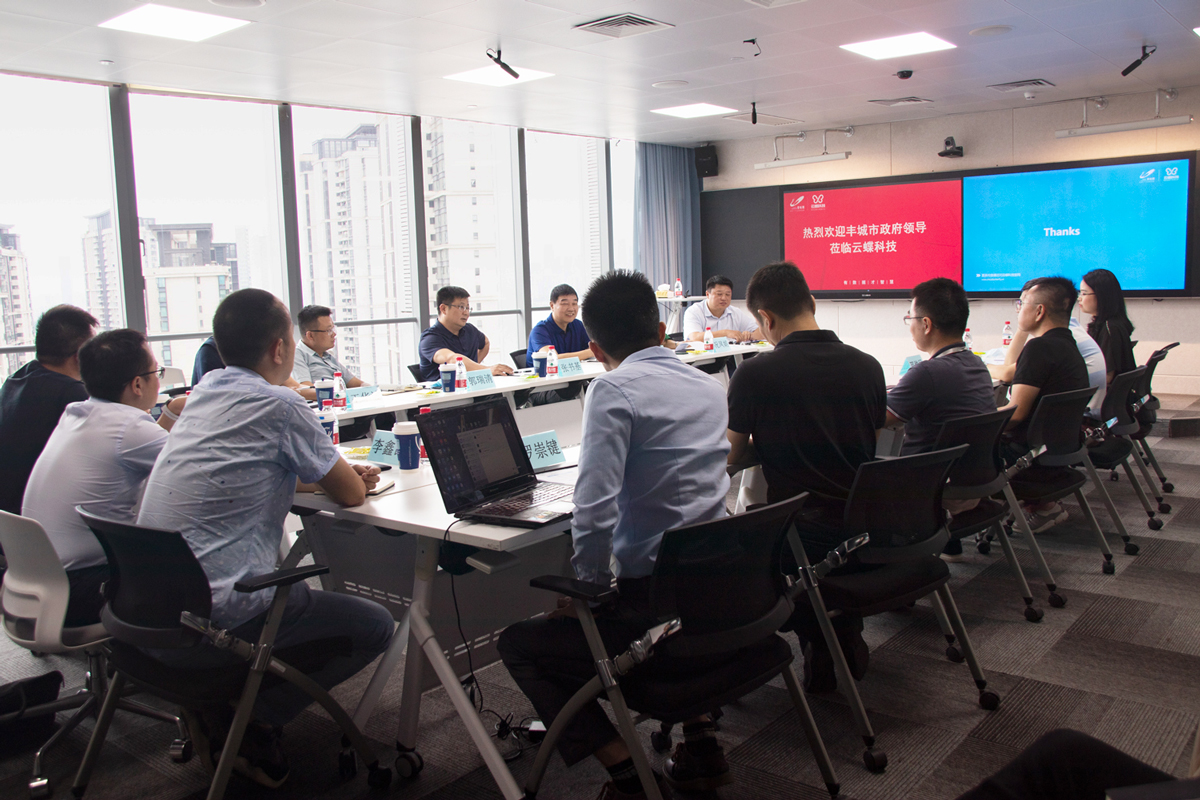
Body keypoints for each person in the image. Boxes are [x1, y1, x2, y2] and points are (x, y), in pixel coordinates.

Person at [137, 289, 393, 788]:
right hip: (221, 615)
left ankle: (229, 705)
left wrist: (323, 476)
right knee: (377, 625)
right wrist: (345, 478)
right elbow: (350, 495)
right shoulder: (280, 403)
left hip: (153, 610)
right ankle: (247, 714)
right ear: (279, 348)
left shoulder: (201, 395)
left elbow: (253, 468)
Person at [498, 271, 732, 800]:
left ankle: (628, 776)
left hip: (651, 610)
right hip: (718, 594)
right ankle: (700, 742)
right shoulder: (709, 385)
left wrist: (587, 590)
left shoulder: (612, 387)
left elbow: (594, 507)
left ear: (596, 348)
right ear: (662, 330)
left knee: (519, 646)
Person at [725, 262, 885, 693]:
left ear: (765, 318)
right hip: (865, 525)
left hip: (798, 536)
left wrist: (772, 441)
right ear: (812, 303)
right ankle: (837, 624)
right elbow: (864, 439)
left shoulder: (754, 374)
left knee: (727, 547)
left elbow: (731, 455)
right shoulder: (869, 366)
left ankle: (810, 631)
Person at [22, 329, 184, 626]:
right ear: (138, 384)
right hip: (81, 589)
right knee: (195, 572)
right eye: (157, 372)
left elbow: (148, 447)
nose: (159, 379)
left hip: (35, 584)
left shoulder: (78, 414)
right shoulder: (129, 427)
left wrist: (171, 414)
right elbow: (196, 469)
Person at [885, 278, 997, 561]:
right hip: (972, 479)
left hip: (927, 485)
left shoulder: (927, 373)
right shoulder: (976, 364)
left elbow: (876, 418)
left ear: (926, 324)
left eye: (910, 318)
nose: (909, 326)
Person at [989, 276, 1090, 533]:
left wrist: (973, 420)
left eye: (1021, 303)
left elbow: (1015, 415)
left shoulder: (1039, 348)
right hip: (1055, 453)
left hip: (1026, 459)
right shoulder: (1068, 346)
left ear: (1039, 311)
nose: (1018, 310)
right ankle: (1044, 508)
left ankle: (961, 517)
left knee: (949, 444)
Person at [0, 305, 97, 517]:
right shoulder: (71, 395)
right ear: (80, 355)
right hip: (38, 518)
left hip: (8, 521)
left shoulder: (16, 379)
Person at [417, 286, 514, 381]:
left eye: (467, 308)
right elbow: (452, 359)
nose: (466, 313)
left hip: (471, 388)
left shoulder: (469, 330)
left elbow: (485, 343)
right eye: (461, 307)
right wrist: (485, 370)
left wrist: (473, 368)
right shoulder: (429, 338)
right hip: (443, 390)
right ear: (443, 309)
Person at [526, 283, 591, 405]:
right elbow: (554, 360)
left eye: (574, 303)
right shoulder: (539, 331)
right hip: (542, 388)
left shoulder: (577, 325)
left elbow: (593, 351)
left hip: (571, 383)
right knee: (580, 391)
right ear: (552, 305)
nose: (571, 308)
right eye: (565, 304)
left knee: (598, 387)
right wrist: (591, 352)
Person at [292, 305, 364, 401]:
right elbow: (307, 390)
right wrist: (340, 395)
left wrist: (375, 391)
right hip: (327, 407)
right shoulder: (297, 355)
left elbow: (357, 384)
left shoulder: (327, 356)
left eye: (333, 329)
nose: (334, 334)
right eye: (328, 330)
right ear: (310, 335)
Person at [1081, 268, 1137, 386]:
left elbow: (1107, 377)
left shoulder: (1110, 327)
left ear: (1101, 296)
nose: (1079, 298)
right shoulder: (1108, 323)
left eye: (1084, 293)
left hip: (1106, 394)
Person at [683, 275, 761, 343]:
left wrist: (749, 336)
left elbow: (761, 332)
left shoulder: (735, 312)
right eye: (719, 294)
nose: (724, 298)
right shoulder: (694, 311)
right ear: (707, 294)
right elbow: (694, 337)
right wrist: (725, 333)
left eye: (727, 294)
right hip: (705, 355)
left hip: (732, 354)